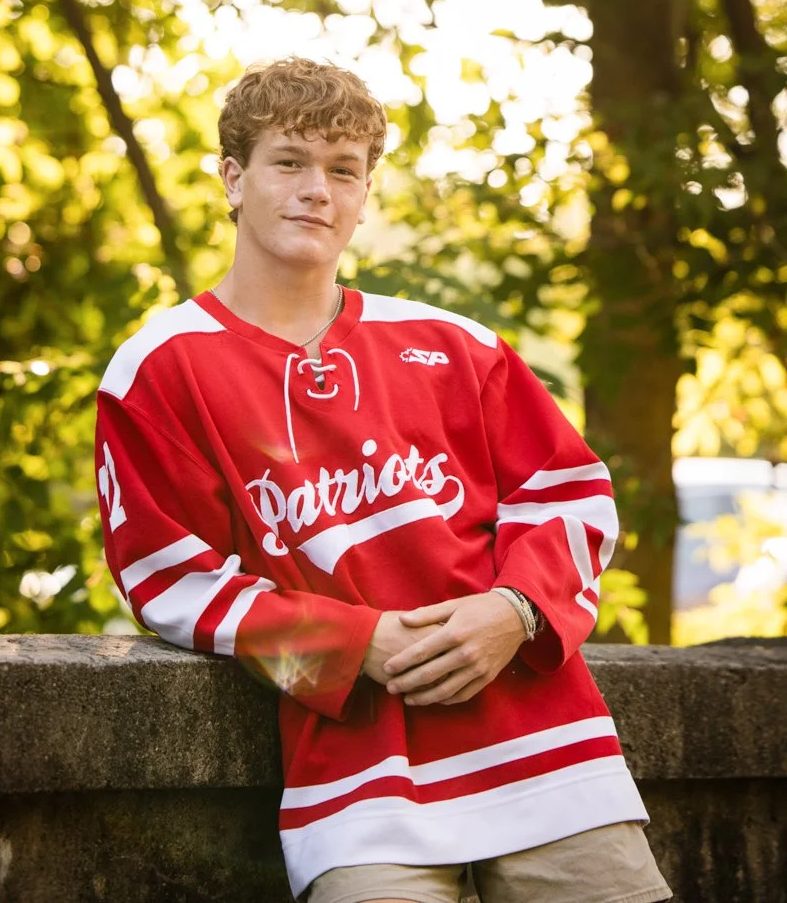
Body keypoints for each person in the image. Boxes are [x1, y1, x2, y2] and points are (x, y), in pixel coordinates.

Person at [95, 58, 671, 903]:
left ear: (365, 194)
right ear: (233, 178)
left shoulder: (454, 343)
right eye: (288, 162)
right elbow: (168, 576)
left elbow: (571, 496)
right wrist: (353, 643)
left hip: (547, 753)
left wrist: (515, 611)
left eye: (343, 170)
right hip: (359, 784)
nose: (315, 191)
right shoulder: (159, 368)